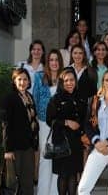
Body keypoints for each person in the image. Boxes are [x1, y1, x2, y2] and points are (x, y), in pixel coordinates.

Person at [46, 68, 86, 195]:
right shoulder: (56, 99)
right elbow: (50, 120)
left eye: (72, 80)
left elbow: (84, 120)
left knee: (74, 174)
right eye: (66, 80)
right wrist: (66, 122)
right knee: (63, 175)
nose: (69, 83)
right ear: (61, 82)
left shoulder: (81, 98)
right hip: (61, 142)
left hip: (76, 143)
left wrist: (84, 135)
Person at [1, 68, 39, 195]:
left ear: (29, 82)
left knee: (27, 182)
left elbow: (33, 122)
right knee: (12, 184)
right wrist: (7, 150)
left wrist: (35, 144)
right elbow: (6, 125)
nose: (22, 82)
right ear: (14, 81)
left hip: (28, 147)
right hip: (15, 148)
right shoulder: (9, 99)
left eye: (25, 79)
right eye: (19, 79)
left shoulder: (30, 97)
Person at [33, 49, 64, 195]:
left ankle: (54, 192)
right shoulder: (39, 77)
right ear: (47, 62)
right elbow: (35, 99)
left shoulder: (64, 78)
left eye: (56, 60)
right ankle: (42, 192)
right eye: (51, 60)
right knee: (45, 159)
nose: (54, 63)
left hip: (60, 125)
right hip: (44, 123)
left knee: (58, 158)